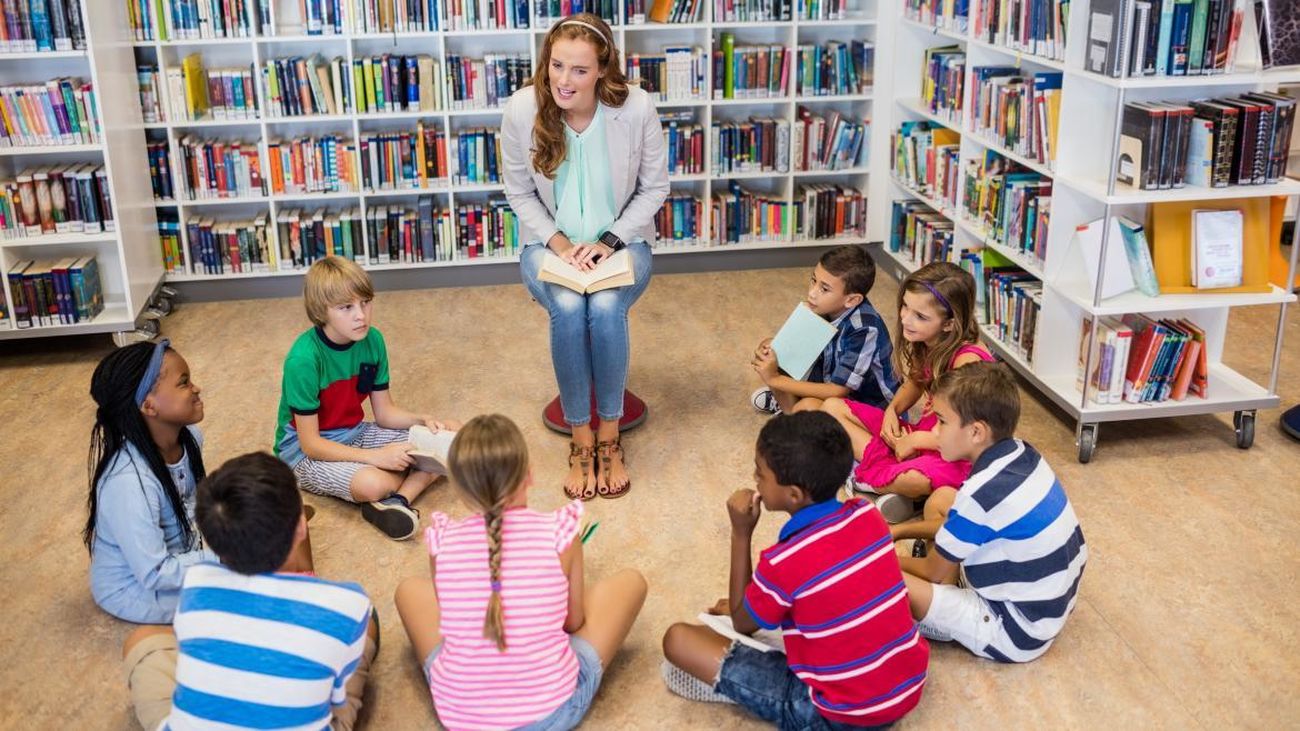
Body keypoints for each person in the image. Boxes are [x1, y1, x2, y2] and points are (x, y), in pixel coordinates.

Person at [661, 412, 929, 729]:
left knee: (678, 640)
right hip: (908, 685)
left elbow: (742, 622)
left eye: (760, 474)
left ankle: (746, 690)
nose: (755, 479)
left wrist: (740, 533)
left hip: (839, 716)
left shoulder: (784, 560)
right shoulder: (867, 514)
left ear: (793, 494)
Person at [501, 12, 670, 500]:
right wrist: (558, 243)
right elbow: (518, 192)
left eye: (579, 70)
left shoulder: (636, 108)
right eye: (557, 66)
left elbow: (654, 187)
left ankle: (609, 439)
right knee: (571, 307)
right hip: (547, 246)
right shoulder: (522, 109)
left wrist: (609, 242)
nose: (564, 80)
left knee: (607, 306)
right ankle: (581, 441)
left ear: (602, 69)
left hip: (622, 245)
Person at [395, 414, 647, 730]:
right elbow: (572, 623)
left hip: (462, 716)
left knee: (408, 590)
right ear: (528, 474)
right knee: (631, 582)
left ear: (458, 487)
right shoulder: (560, 533)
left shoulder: (442, 541)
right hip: (552, 714)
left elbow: (449, 621)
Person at [121, 452, 378, 730]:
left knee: (141, 639)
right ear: (302, 526)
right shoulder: (349, 604)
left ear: (212, 542)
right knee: (365, 628)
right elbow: (336, 699)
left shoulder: (196, 582)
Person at [898, 362, 1087, 663]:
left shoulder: (980, 494)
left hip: (1014, 632)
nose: (934, 430)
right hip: (1049, 608)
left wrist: (881, 553)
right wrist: (897, 531)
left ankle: (941, 615)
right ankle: (948, 589)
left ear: (976, 432)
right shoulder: (1023, 452)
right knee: (943, 498)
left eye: (942, 422)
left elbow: (931, 570)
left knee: (881, 573)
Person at [273, 256, 459, 540]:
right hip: (303, 453)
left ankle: (397, 501)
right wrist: (376, 457)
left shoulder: (373, 341)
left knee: (451, 437)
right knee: (374, 483)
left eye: (365, 302)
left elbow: (384, 413)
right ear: (321, 311)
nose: (360, 315)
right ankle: (403, 486)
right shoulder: (303, 360)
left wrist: (422, 419)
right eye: (346, 307)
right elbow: (311, 444)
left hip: (354, 433)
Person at [821, 261, 992, 524]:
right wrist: (893, 410)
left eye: (920, 316)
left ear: (949, 323)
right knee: (831, 408)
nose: (905, 319)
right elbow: (916, 381)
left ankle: (876, 480)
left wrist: (915, 441)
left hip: (955, 453)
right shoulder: (932, 338)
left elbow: (969, 436)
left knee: (916, 479)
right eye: (905, 306)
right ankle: (894, 487)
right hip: (925, 435)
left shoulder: (968, 363)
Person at [85, 338, 216, 624]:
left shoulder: (191, 438)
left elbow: (192, 504)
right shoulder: (128, 482)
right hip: (134, 588)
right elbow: (155, 572)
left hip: (176, 562)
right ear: (148, 405)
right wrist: (224, 559)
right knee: (242, 592)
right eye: (184, 383)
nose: (196, 388)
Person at [750, 245, 898, 415]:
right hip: (831, 374)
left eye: (824, 289)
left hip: (868, 405)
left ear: (851, 300)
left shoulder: (865, 328)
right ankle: (789, 411)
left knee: (807, 406)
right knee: (771, 348)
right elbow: (800, 347)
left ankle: (795, 415)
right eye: (814, 280)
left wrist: (775, 380)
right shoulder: (826, 305)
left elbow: (838, 390)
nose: (812, 293)